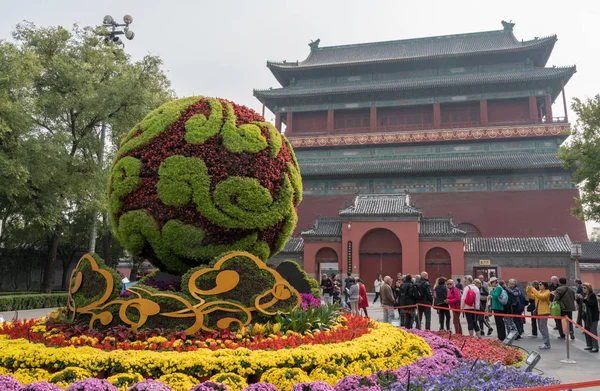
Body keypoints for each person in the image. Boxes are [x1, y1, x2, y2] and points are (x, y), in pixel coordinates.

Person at [527, 281, 551, 349]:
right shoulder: (539, 292)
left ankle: (547, 344)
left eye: (540, 284)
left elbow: (541, 297)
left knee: (543, 328)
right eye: (539, 284)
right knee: (541, 328)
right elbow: (531, 296)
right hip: (539, 312)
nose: (539, 285)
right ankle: (545, 343)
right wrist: (528, 289)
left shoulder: (547, 292)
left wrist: (533, 289)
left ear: (545, 286)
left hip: (544, 311)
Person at [580, 282, 599, 352]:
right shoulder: (585, 295)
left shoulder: (592, 295)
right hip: (586, 316)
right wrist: (578, 299)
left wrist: (584, 300)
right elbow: (581, 304)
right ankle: (589, 345)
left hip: (593, 316)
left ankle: (595, 346)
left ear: (588, 288)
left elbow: (591, 304)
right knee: (587, 330)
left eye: (585, 288)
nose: (583, 289)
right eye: (582, 288)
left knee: (593, 331)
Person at [489, 277, 507, 342]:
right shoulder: (496, 288)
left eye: (492, 283)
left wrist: (491, 292)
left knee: (500, 323)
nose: (491, 284)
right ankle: (500, 336)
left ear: (494, 282)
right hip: (496, 307)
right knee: (498, 323)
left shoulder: (498, 288)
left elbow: (496, 296)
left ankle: (502, 337)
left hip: (498, 307)